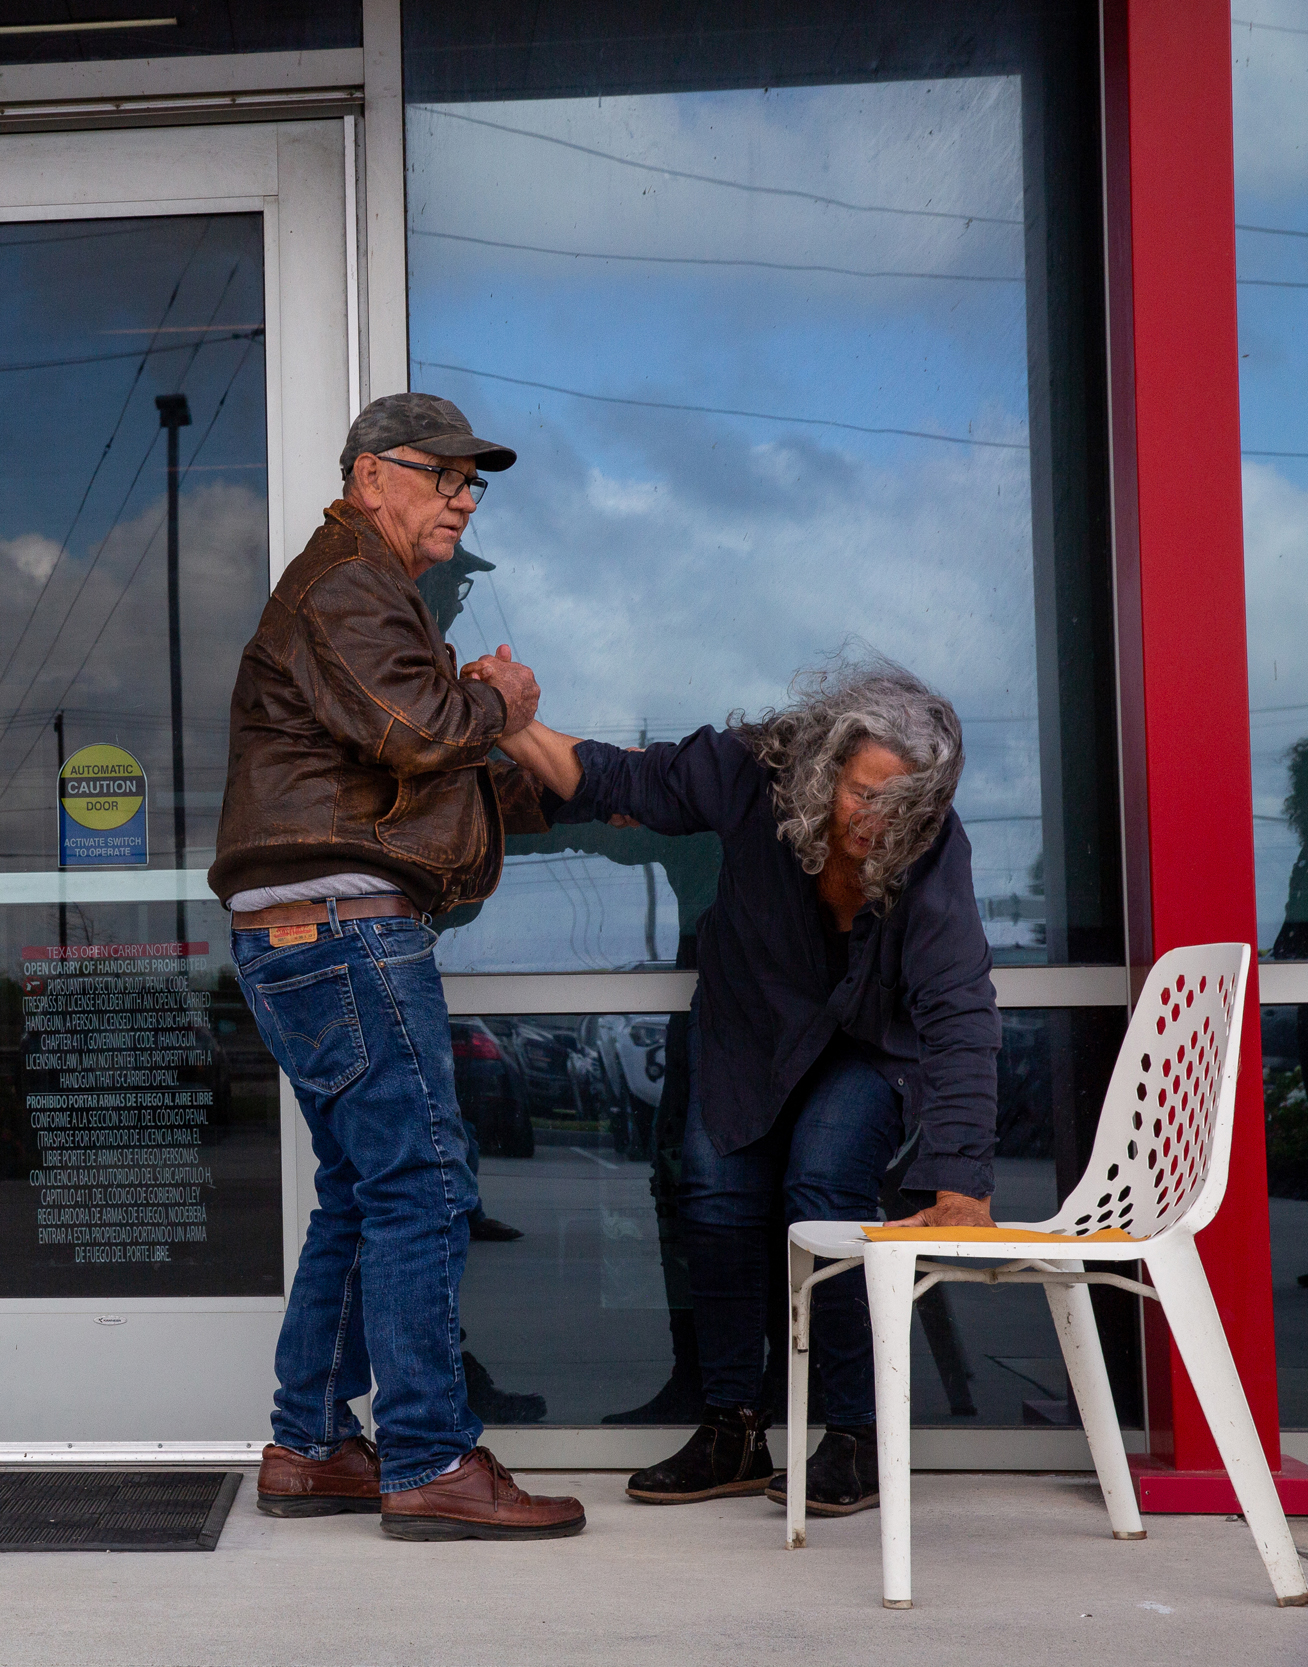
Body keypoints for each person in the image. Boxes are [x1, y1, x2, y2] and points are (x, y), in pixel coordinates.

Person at [478, 654, 998, 1516]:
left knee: (823, 1184)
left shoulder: (932, 848)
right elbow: (615, 777)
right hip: (748, 1028)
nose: (876, 820)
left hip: (865, 1045)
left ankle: (859, 1438)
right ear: (826, 763)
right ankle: (733, 1429)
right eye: (863, 792)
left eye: (902, 804)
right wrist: (512, 723)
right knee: (714, 1201)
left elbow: (960, 1009)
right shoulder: (750, 770)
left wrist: (964, 1185)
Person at [211, 391, 585, 1541]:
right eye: (445, 474)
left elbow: (416, 765)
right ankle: (427, 1455)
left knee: (365, 1194)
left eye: (476, 481)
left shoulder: (365, 594)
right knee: (423, 1185)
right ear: (372, 475)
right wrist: (504, 698)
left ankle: (314, 1444)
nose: (465, 496)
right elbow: (422, 731)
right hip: (341, 928)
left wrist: (580, 787)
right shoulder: (350, 584)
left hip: (310, 929)